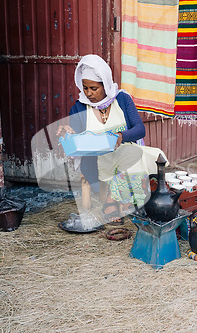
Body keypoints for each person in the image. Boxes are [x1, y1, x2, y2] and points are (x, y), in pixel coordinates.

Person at [57, 54, 166, 224]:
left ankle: (114, 200)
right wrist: (68, 131)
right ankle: (117, 201)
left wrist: (121, 137)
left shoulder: (122, 99)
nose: (89, 93)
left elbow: (140, 129)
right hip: (96, 157)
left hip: (126, 149)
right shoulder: (79, 107)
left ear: (105, 85)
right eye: (85, 88)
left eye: (94, 88)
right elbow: (77, 138)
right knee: (117, 158)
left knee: (150, 155)